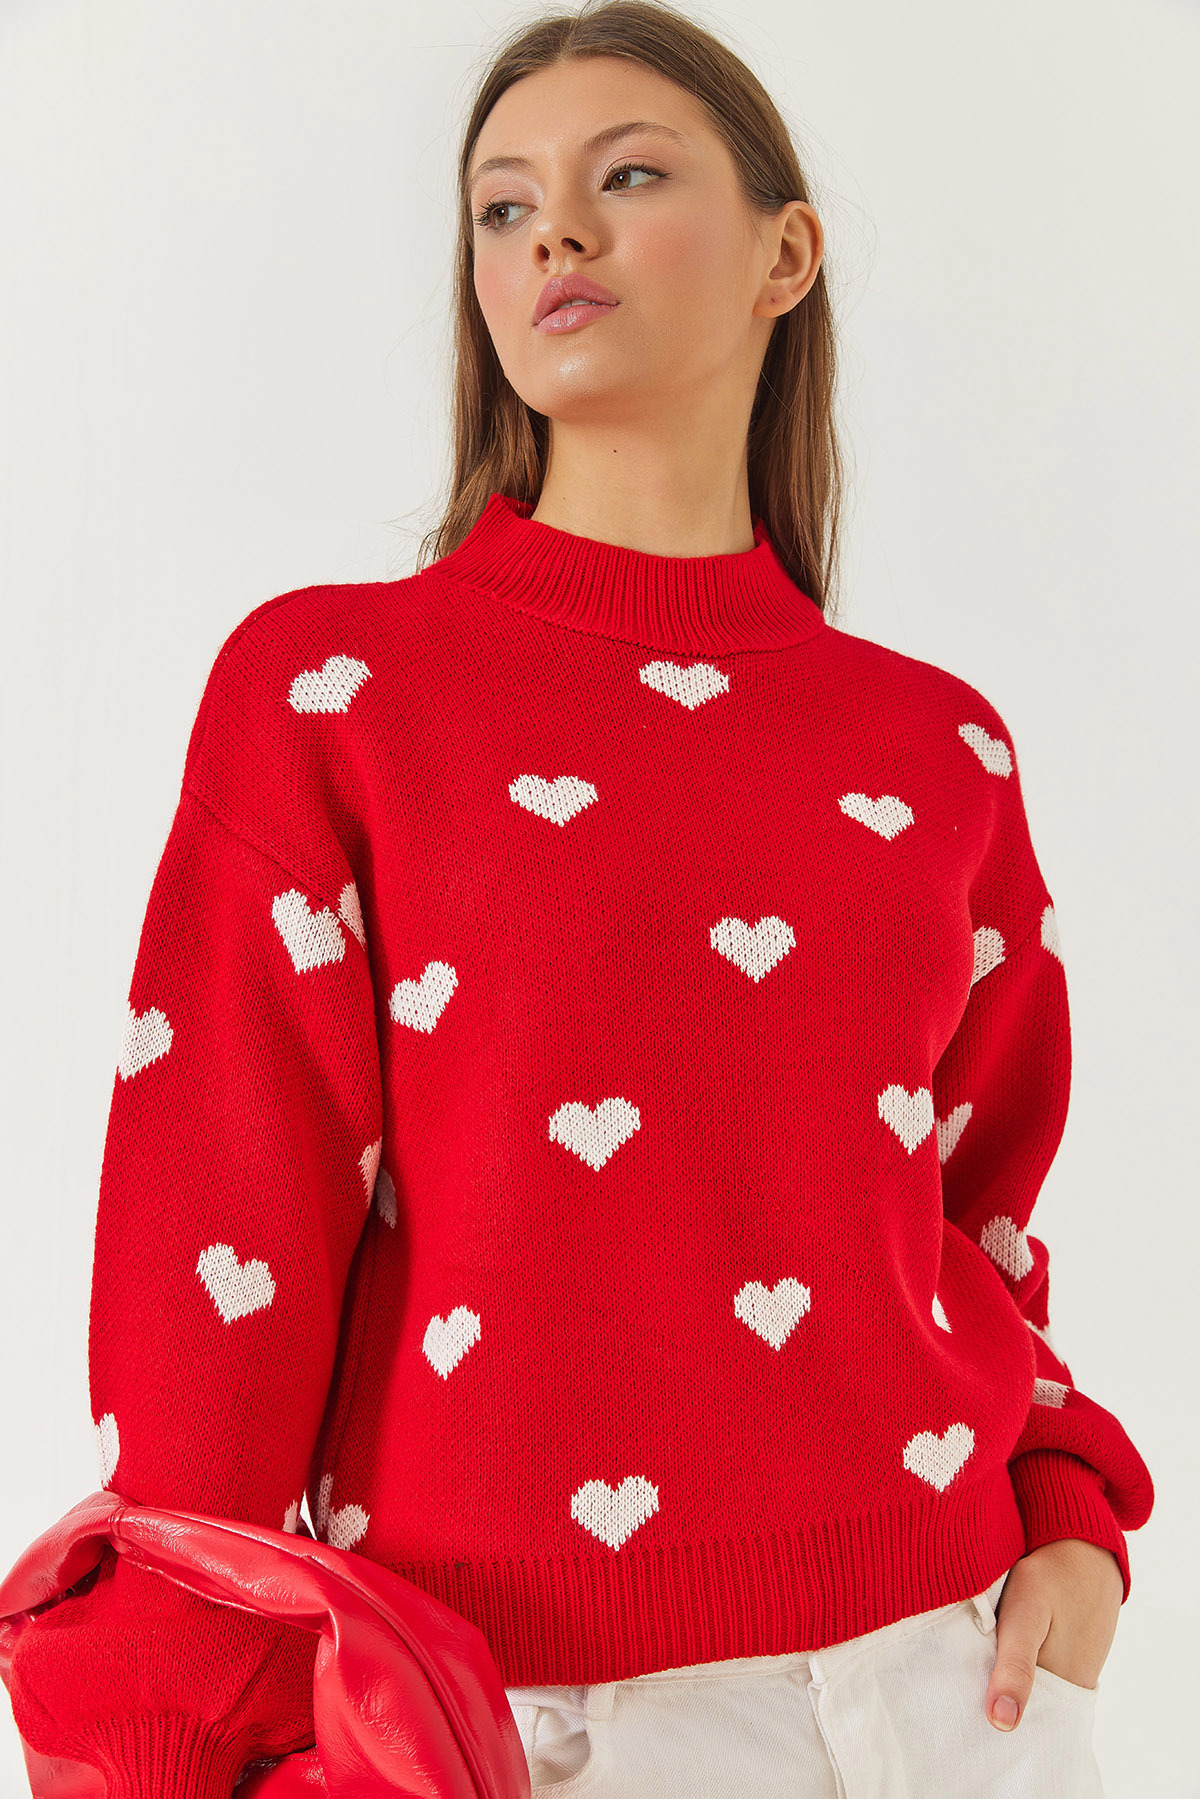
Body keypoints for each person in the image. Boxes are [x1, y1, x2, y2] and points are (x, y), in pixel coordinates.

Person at [4, 2, 1154, 1796]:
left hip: (957, 1687)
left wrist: (1071, 1509)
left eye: (627, 177)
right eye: (501, 205)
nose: (553, 232)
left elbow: (973, 1209)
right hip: (530, 1722)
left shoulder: (938, 744)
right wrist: (170, 1738)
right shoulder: (334, 694)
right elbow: (218, 1245)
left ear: (786, 257)